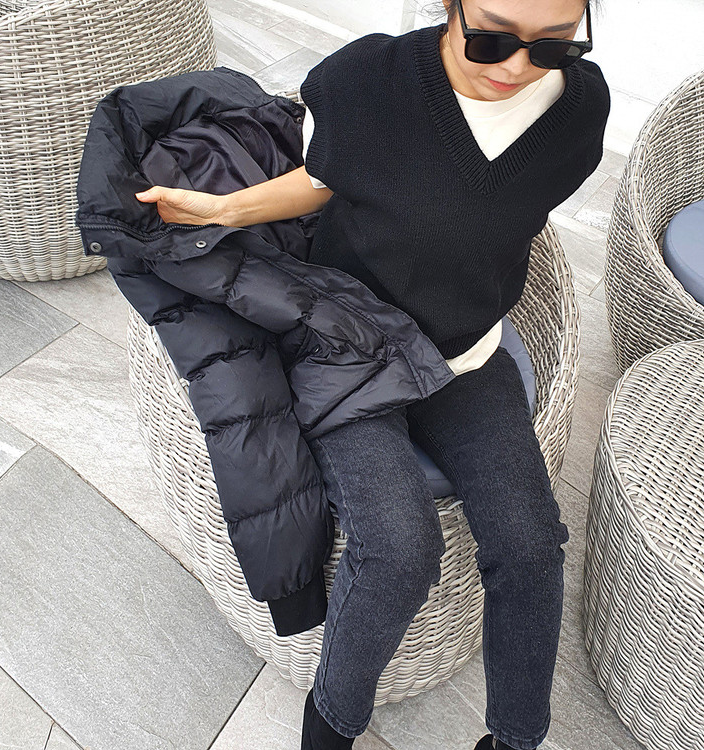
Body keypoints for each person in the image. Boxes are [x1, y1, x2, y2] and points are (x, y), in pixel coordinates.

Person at [134, 0, 610, 748]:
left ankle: (515, 740)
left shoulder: (578, 109)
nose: (520, 67)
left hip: (466, 356)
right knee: (398, 552)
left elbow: (512, 208)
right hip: (349, 346)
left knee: (530, 547)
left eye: (553, 46)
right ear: (450, 5)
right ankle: (329, 727)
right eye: (491, 38)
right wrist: (223, 210)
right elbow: (323, 180)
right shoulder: (367, 82)